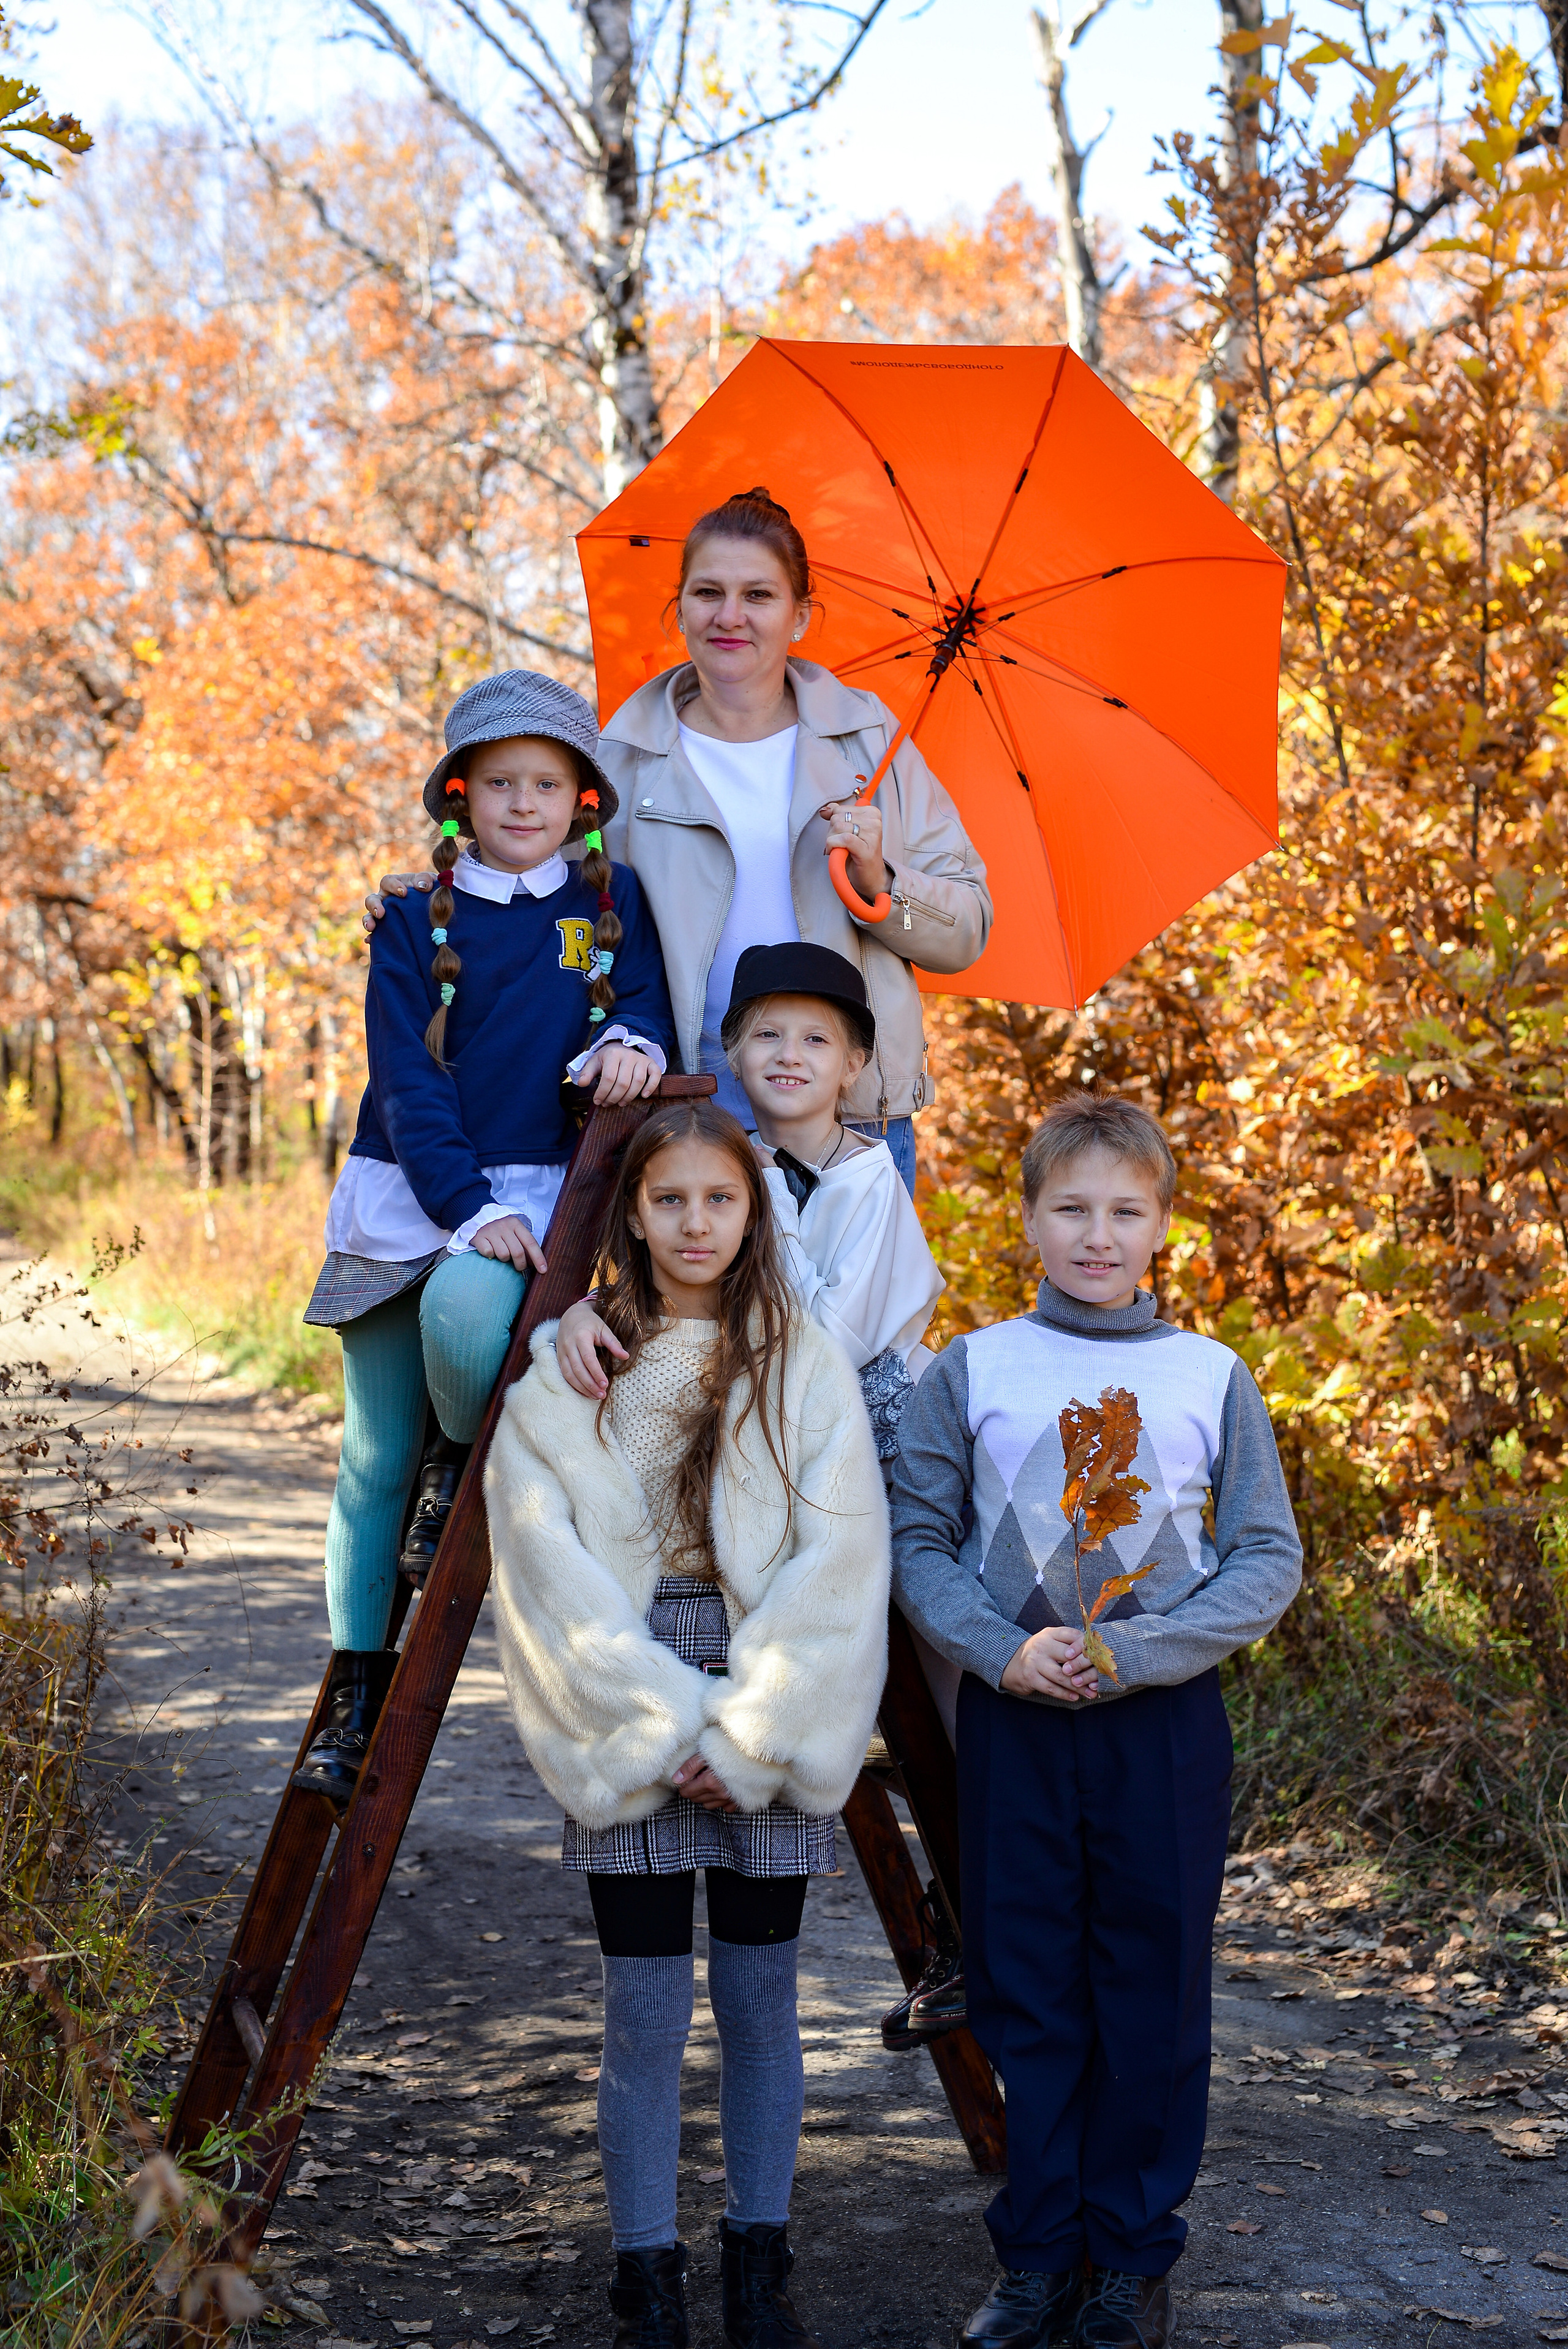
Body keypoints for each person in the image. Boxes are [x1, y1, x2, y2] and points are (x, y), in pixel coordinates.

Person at [889, 1095, 1303, 2349]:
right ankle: (1039, 2253)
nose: (1094, 1234)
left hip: (1160, 1729)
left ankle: (1129, 2256)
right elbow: (916, 1546)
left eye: (1124, 1212)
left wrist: (1129, 1651)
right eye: (1068, 1208)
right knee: (1027, 1989)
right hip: (1011, 1719)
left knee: (1151, 1989)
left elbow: (1262, 1558)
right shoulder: (969, 1368)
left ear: (1162, 1229)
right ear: (1025, 1220)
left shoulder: (1207, 1376)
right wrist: (1003, 1650)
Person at [484, 1099, 889, 2349]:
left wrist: (749, 1733)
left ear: (751, 1211)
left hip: (767, 1688)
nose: (696, 1222)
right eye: (671, 1201)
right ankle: (644, 2280)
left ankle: (756, 2268)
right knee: (646, 2012)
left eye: (721, 1199)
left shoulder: (798, 1359)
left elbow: (842, 1554)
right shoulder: (576, 1365)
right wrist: (654, 1720)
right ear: (635, 1215)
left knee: (764, 2002)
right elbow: (539, 1556)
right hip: (627, 1693)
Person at [364, 485, 992, 1198]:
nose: (730, 616)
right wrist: (437, 895)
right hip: (692, 1105)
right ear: (680, 609)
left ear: (800, 616)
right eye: (708, 592)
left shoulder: (870, 741)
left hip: (849, 1105)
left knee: (857, 1312)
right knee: (700, 1316)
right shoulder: (624, 757)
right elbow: (539, 898)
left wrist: (885, 885)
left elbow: (966, 929)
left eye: (758, 594)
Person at [294, 671, 675, 1810]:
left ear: (581, 798)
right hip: (414, 1190)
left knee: (469, 1324)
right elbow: (408, 1080)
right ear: (460, 796)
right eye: (498, 782)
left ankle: (458, 1465)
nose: (522, 801)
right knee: (370, 1453)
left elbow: (645, 1000)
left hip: (535, 1198)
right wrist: (468, 1205)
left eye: (545, 782)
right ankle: (356, 1691)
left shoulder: (611, 908)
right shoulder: (414, 916)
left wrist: (635, 1043)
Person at [551, 940, 943, 1461]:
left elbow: (825, 1345)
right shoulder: (726, 1166)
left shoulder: (871, 1181)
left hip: (868, 1434)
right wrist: (588, 1311)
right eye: (767, 1035)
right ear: (735, 1056)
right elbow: (672, 1276)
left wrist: (772, 1194)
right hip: (753, 1416)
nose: (789, 1055)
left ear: (852, 1065)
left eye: (816, 1040)